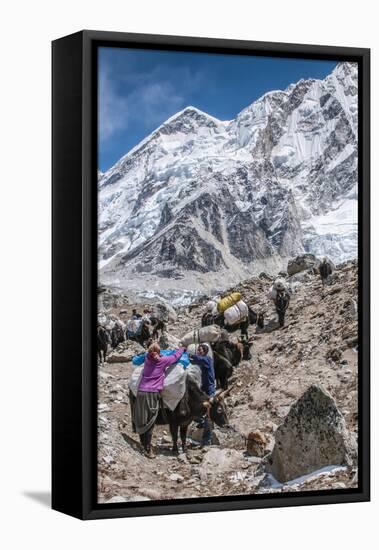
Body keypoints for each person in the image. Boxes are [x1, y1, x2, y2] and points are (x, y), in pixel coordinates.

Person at [132, 342, 186, 458]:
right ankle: (148, 449)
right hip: (152, 393)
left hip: (140, 392)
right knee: (151, 420)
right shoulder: (162, 361)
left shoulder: (147, 359)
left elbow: (148, 356)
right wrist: (182, 349)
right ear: (159, 352)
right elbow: (175, 357)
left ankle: (143, 444)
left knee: (143, 418)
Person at [189, 343, 216, 447]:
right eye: (198, 350)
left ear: (205, 352)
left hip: (210, 390)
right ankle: (201, 421)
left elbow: (197, 359)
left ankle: (206, 440)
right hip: (204, 389)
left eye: (200, 350)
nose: (198, 352)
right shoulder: (202, 361)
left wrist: (189, 356)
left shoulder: (207, 359)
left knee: (208, 415)